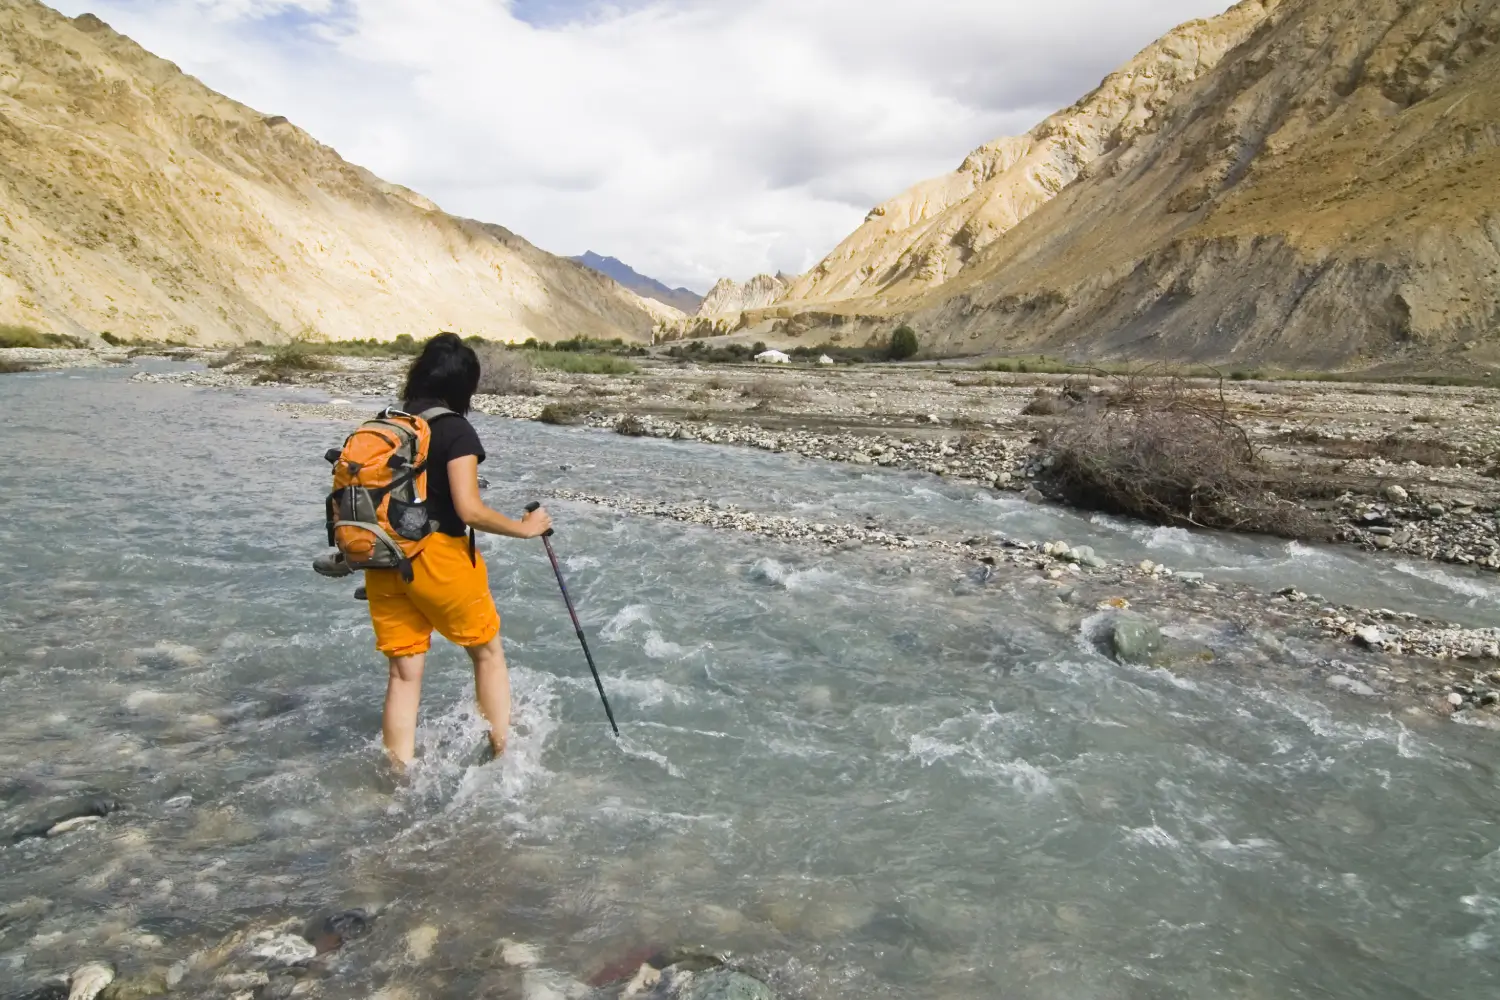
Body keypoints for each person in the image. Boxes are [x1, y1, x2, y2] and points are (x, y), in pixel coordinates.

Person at [363, 333, 551, 767]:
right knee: (487, 653)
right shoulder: (455, 430)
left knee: (403, 673)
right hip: (438, 559)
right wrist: (525, 529)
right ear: (463, 386)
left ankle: (397, 777)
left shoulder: (389, 423)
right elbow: (469, 510)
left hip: (384, 558)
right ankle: (503, 753)